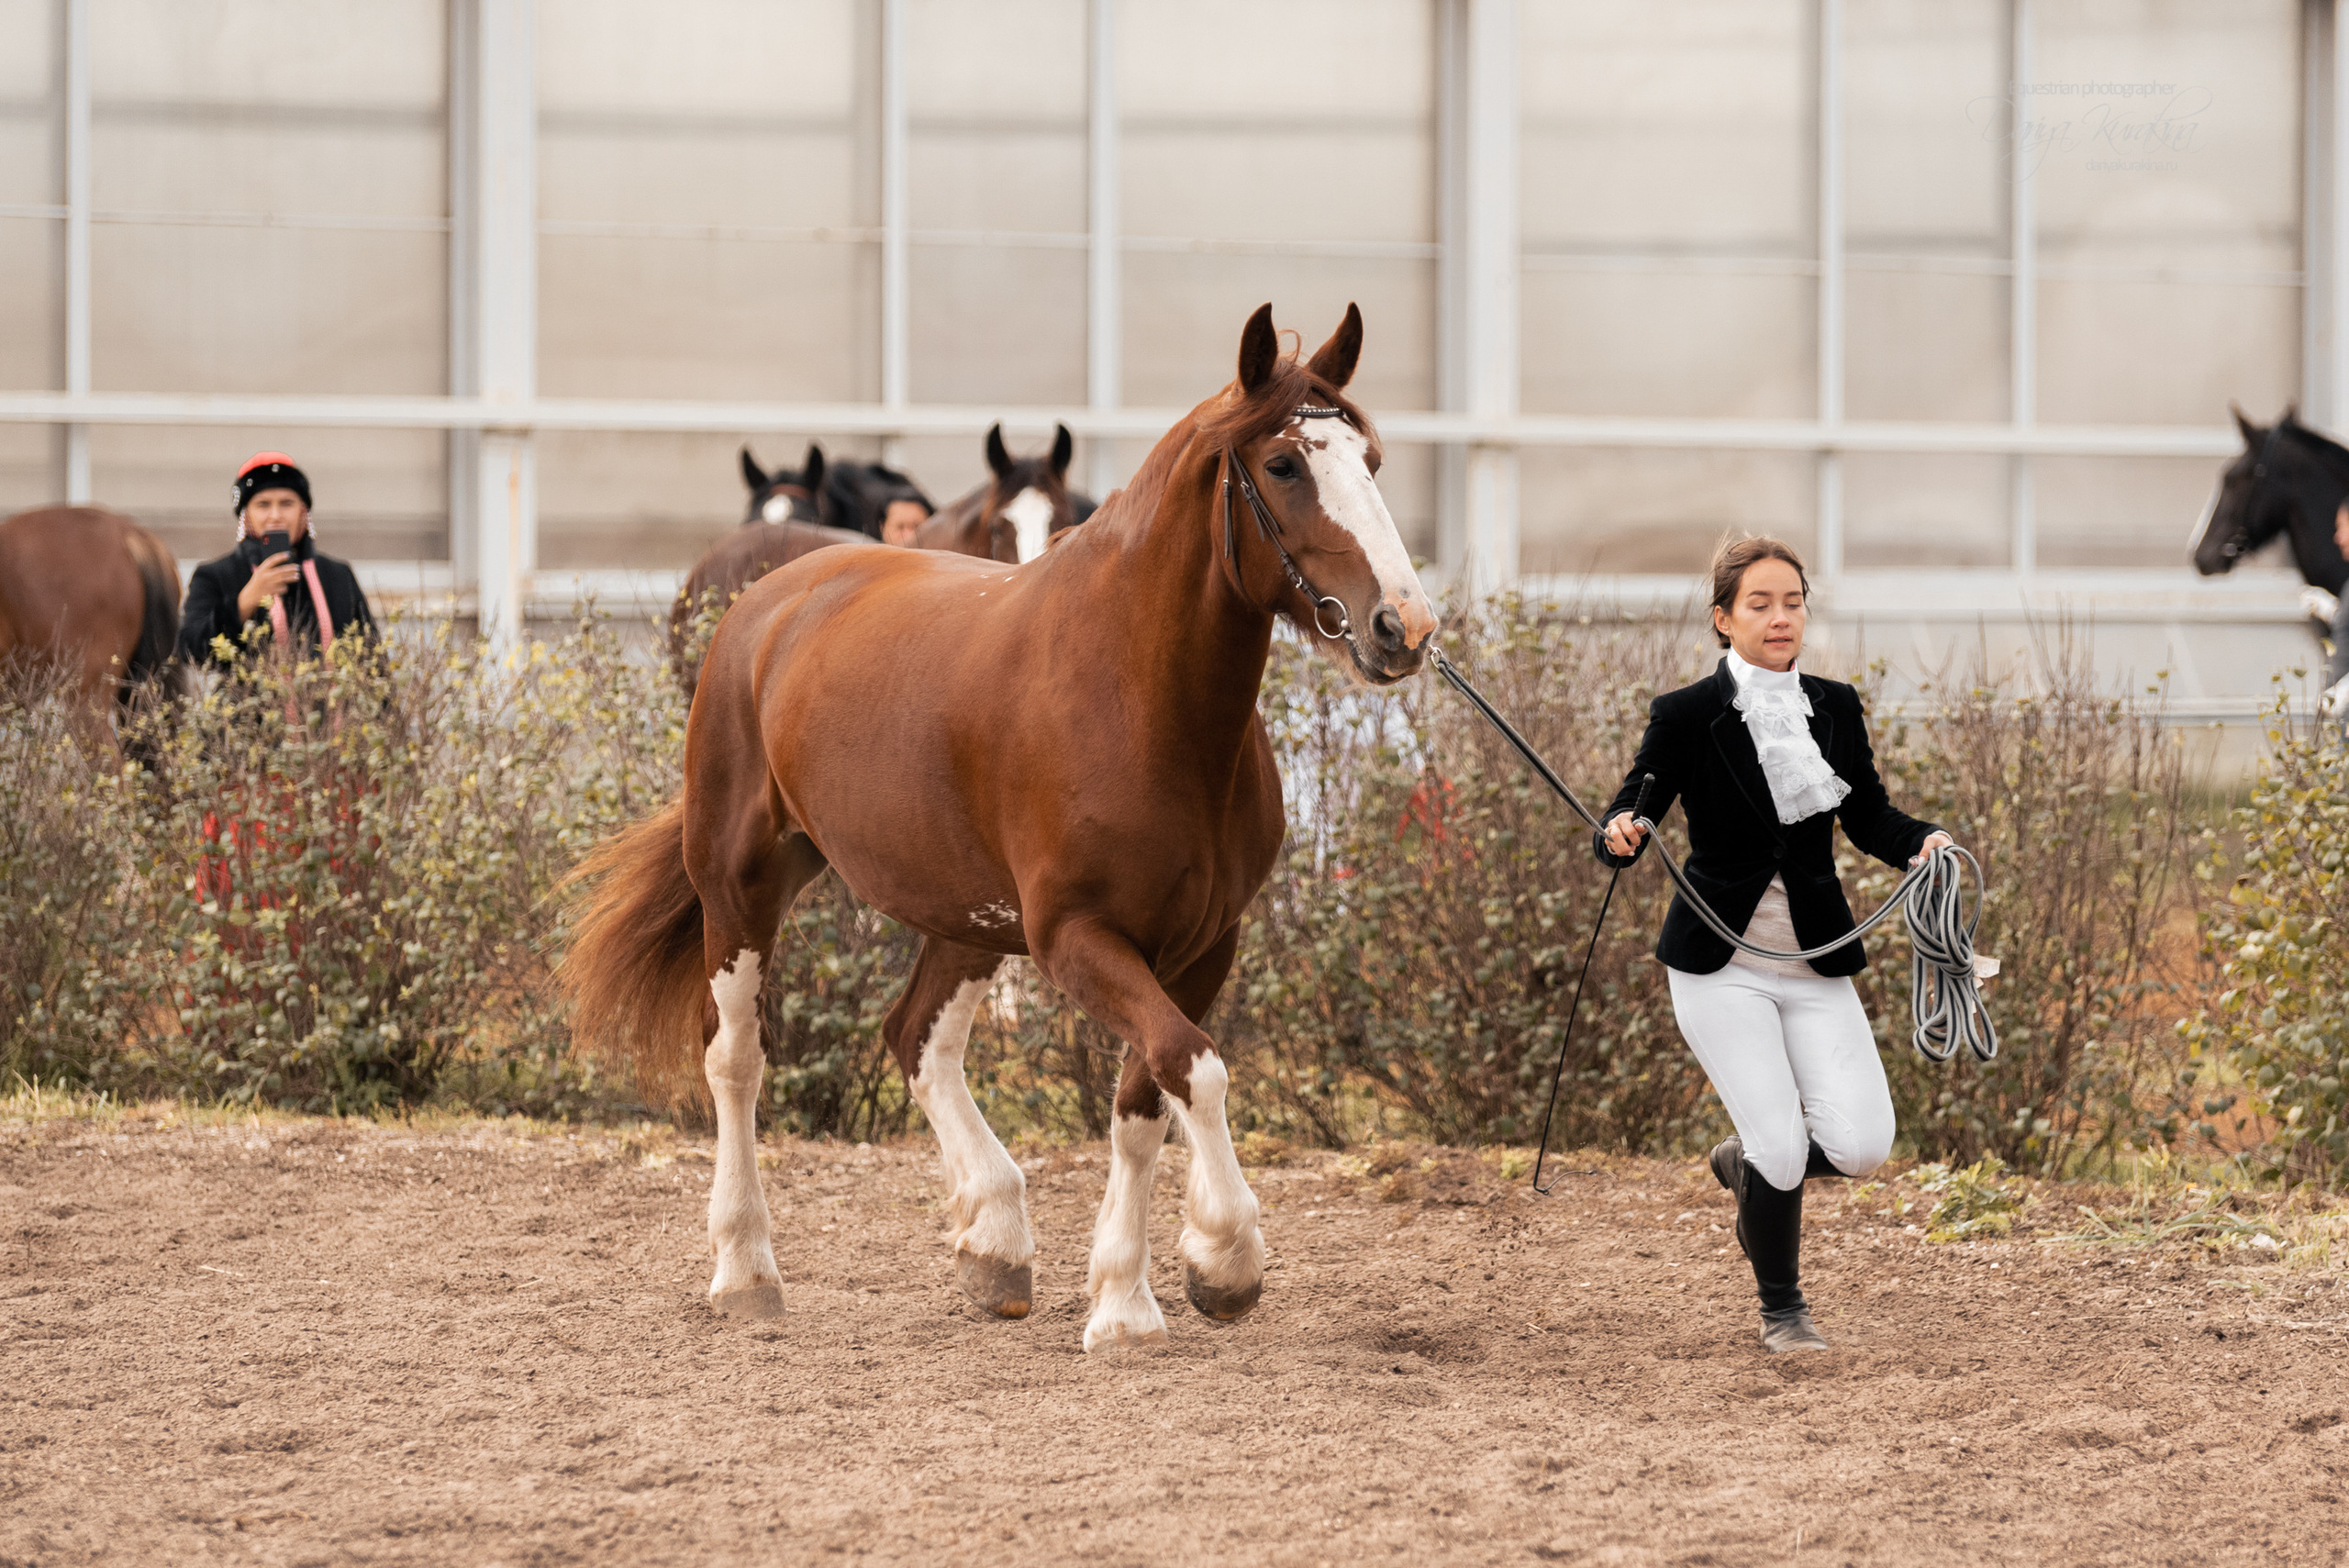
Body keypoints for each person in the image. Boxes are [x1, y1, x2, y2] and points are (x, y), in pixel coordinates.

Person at [1594, 536, 1954, 1354]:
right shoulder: (1685, 714)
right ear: (1724, 619)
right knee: (1785, 1144)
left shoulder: (1834, 704)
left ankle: (1749, 1168)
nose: (1780, 615)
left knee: (1863, 1145)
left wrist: (1921, 841)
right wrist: (1621, 831)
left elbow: (1868, 817)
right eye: (1759, 603)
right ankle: (1783, 1308)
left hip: (1813, 958)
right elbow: (1633, 807)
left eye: (1791, 600)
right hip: (1719, 967)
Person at [178, 452, 375, 670]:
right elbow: (191, 652)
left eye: (286, 503)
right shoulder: (215, 575)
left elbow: (373, 661)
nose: (275, 515)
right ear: (246, 515)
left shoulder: (337, 575)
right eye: (263, 505)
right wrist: (243, 603)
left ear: (303, 512)